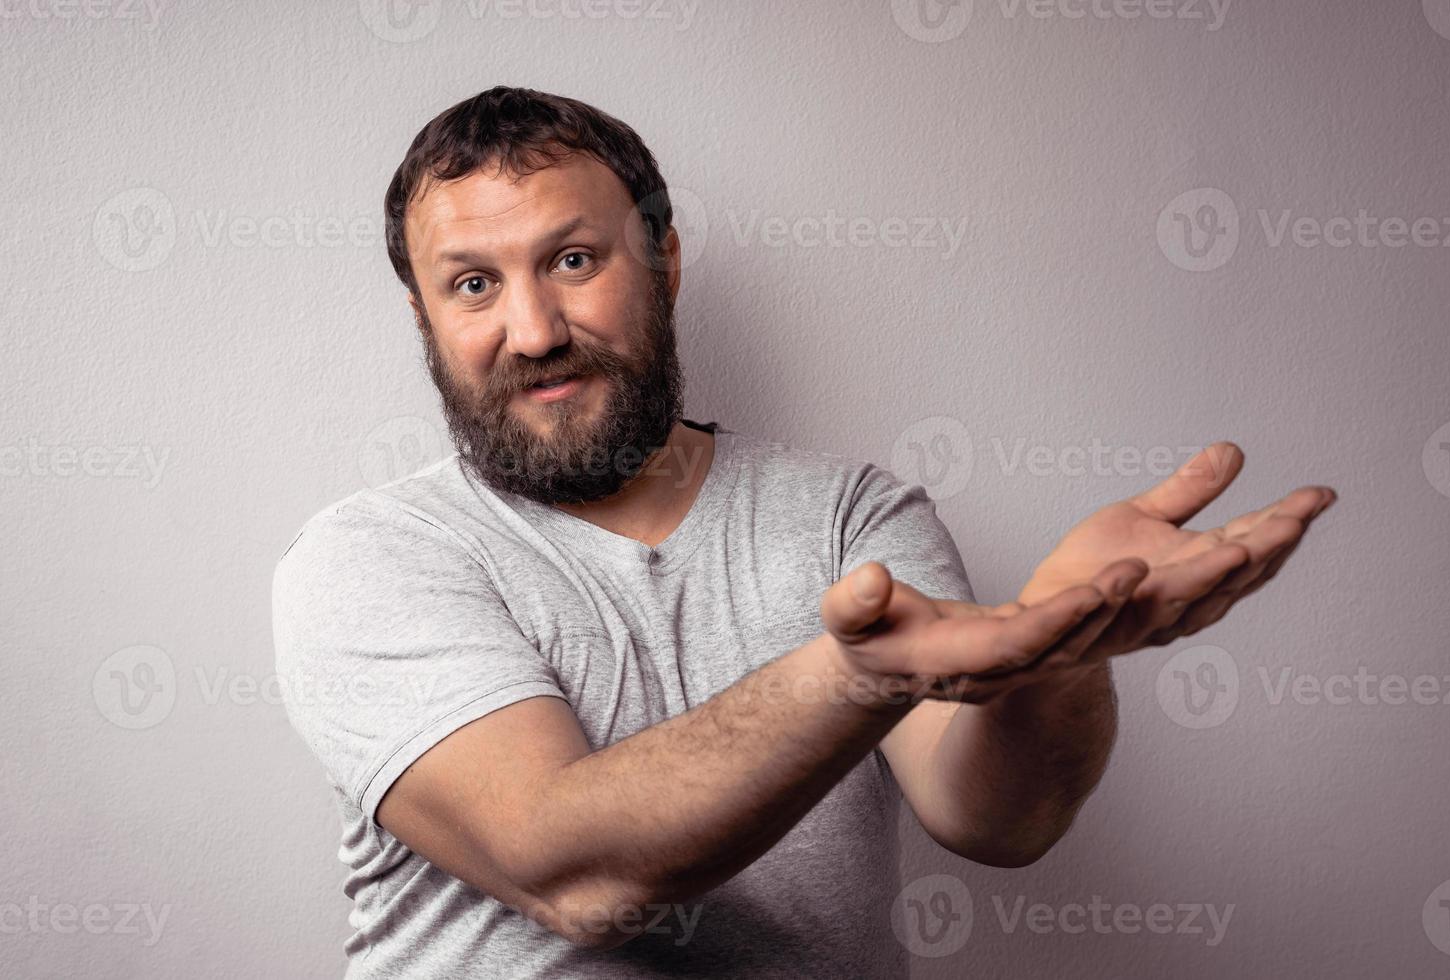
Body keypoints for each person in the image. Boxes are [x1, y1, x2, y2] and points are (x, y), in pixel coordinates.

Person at [271, 86, 1335, 978]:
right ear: (423, 315)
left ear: (662, 261)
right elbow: (569, 869)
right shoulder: (372, 557)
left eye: (574, 260)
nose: (535, 330)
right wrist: (856, 675)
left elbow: (996, 820)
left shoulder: (848, 518)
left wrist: (1066, 654)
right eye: (472, 284)